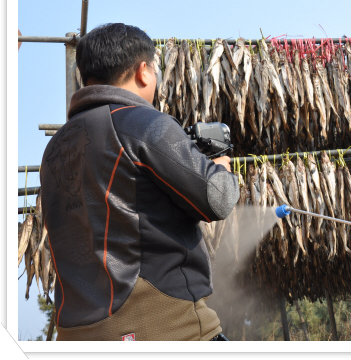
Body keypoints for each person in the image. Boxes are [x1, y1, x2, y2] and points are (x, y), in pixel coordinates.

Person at [40, 23, 239, 341]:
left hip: (77, 336)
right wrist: (220, 168)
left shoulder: (54, 148)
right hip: (167, 328)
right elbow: (218, 198)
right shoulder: (143, 123)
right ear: (143, 71)